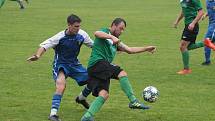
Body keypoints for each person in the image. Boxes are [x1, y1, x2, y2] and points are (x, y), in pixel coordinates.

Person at [81, 18, 156, 121]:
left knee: (104, 94)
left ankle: (87, 117)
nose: (121, 31)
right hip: (97, 64)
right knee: (121, 73)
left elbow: (130, 50)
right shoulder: (105, 32)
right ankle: (133, 101)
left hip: (100, 70)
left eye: (123, 30)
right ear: (113, 25)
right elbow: (96, 33)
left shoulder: (116, 41)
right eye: (120, 28)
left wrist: (146, 48)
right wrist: (111, 37)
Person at [27, 14, 93, 121]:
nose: (78, 28)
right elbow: (44, 46)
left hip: (75, 64)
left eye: (79, 26)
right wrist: (37, 55)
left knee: (93, 80)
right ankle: (53, 114)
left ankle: (81, 98)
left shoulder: (82, 34)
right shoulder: (59, 37)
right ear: (69, 25)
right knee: (61, 86)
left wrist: (112, 48)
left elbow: (93, 45)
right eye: (76, 26)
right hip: (61, 65)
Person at [173, 0, 214, 74]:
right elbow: (183, 10)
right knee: (187, 47)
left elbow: (201, 12)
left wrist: (193, 23)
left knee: (183, 46)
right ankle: (205, 43)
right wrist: (177, 21)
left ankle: (186, 69)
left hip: (192, 26)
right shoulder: (182, 0)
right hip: (188, 25)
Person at [201, 0, 215, 65]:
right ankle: (207, 60)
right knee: (211, 42)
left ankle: (207, 61)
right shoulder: (207, 1)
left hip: (214, 25)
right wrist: (205, 15)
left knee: (207, 41)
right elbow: (210, 10)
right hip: (210, 23)